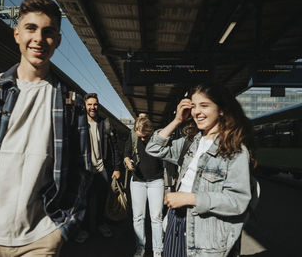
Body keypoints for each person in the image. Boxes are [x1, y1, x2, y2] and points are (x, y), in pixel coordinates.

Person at [0, 0, 92, 257]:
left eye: (48, 32)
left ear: (57, 40)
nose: (39, 38)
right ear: (16, 34)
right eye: (31, 28)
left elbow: (81, 170)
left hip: (41, 236)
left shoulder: (72, 102)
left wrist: (64, 229)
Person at [146, 84, 254, 257]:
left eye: (204, 106)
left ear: (221, 110)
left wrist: (191, 198)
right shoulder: (189, 142)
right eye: (194, 106)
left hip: (204, 234)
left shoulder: (235, 150)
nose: (197, 112)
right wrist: (177, 121)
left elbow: (238, 200)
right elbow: (153, 148)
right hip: (176, 222)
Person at [75, 93, 122, 243]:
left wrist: (116, 167)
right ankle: (85, 230)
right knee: (85, 202)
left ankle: (102, 224)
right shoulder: (79, 123)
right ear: (85, 105)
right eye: (89, 104)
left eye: (95, 104)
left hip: (102, 169)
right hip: (86, 170)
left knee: (103, 200)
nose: (92, 107)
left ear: (98, 105)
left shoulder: (105, 123)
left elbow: (115, 148)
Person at [124, 114, 164, 257]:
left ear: (150, 131)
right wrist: (128, 162)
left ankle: (157, 249)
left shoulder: (158, 137)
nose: (142, 139)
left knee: (156, 217)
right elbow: (126, 153)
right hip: (137, 181)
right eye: (139, 136)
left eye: (145, 136)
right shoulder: (133, 136)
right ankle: (141, 248)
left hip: (156, 181)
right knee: (138, 217)